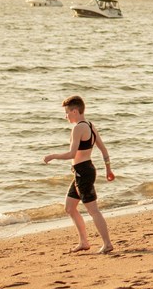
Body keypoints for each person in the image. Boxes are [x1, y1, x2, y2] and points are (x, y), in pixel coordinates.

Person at [42, 95, 115, 254]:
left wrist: (53, 156)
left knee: (93, 210)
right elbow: (103, 150)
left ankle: (107, 243)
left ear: (75, 111)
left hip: (83, 172)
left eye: (67, 112)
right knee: (69, 207)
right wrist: (108, 169)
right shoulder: (90, 125)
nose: (66, 116)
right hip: (83, 171)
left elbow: (72, 154)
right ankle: (84, 242)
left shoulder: (78, 128)